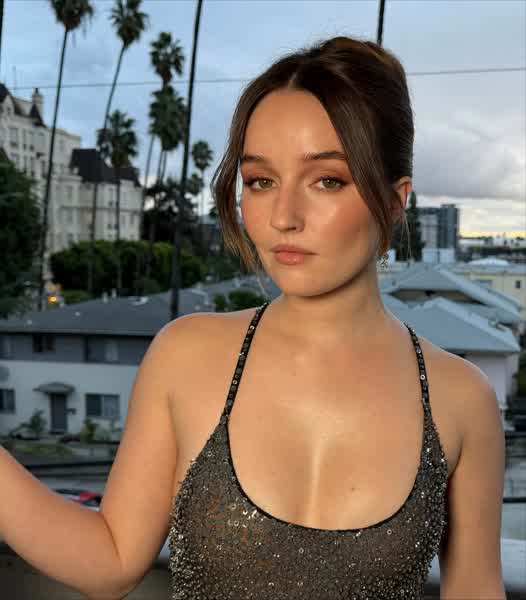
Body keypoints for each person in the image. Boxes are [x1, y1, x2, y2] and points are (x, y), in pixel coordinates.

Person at [0, 35, 506, 600]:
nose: (283, 216)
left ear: (394, 201)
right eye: (261, 182)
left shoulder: (462, 400)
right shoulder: (187, 355)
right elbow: (111, 559)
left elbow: (475, 589)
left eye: (327, 180)